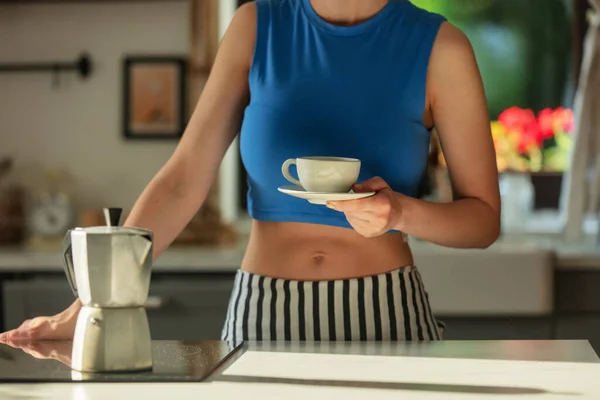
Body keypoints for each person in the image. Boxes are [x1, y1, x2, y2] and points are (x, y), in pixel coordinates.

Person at [0, 0, 500, 344]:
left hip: (385, 312)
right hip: (264, 310)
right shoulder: (255, 26)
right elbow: (183, 179)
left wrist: (401, 213)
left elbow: (482, 220)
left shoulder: (442, 48)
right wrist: (93, 304)